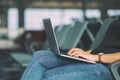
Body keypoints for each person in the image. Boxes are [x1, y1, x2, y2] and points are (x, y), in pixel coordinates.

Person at [21, 17, 120, 80]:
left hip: (110, 67)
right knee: (40, 56)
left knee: (48, 76)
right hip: (97, 59)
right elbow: (107, 46)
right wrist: (83, 53)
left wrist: (97, 58)